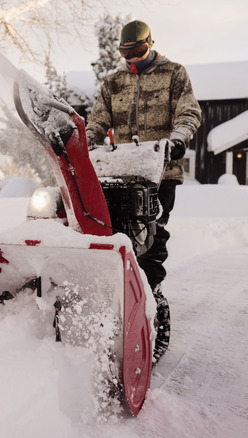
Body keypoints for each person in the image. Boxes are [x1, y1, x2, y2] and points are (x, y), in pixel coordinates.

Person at [84, 19, 202, 364]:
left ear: (150, 44)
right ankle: (111, 290)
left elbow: (189, 112)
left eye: (137, 51)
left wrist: (178, 140)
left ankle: (148, 296)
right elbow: (96, 121)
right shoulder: (114, 82)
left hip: (159, 173)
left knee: (150, 236)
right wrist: (85, 143)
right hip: (119, 173)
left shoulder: (174, 74)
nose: (132, 59)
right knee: (110, 233)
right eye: (126, 53)